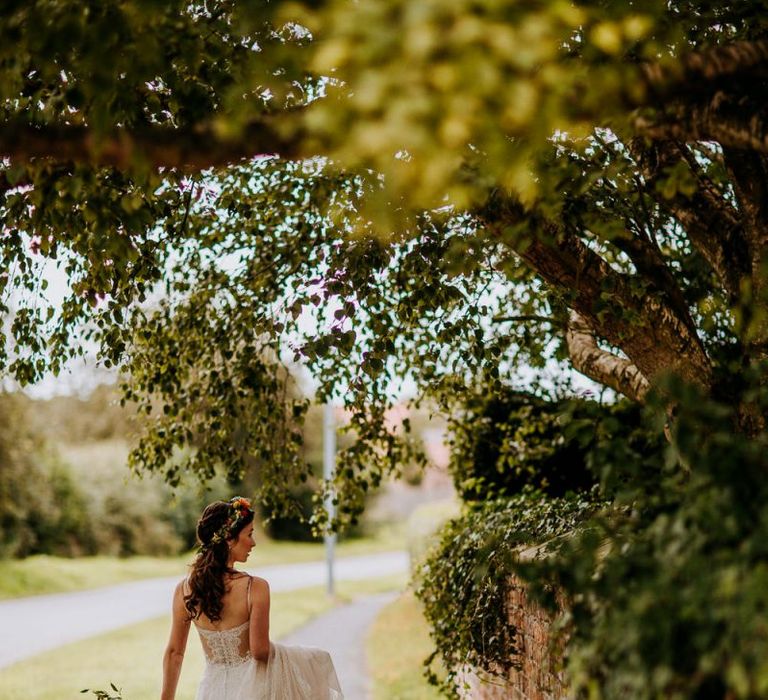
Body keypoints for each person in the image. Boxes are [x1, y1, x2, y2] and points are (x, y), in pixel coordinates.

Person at [161, 497, 343, 699]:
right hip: (251, 690)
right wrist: (306, 659)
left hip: (210, 692)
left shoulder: (185, 590)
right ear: (229, 539)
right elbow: (260, 652)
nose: (253, 543)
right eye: (249, 534)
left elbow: (174, 653)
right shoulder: (255, 588)